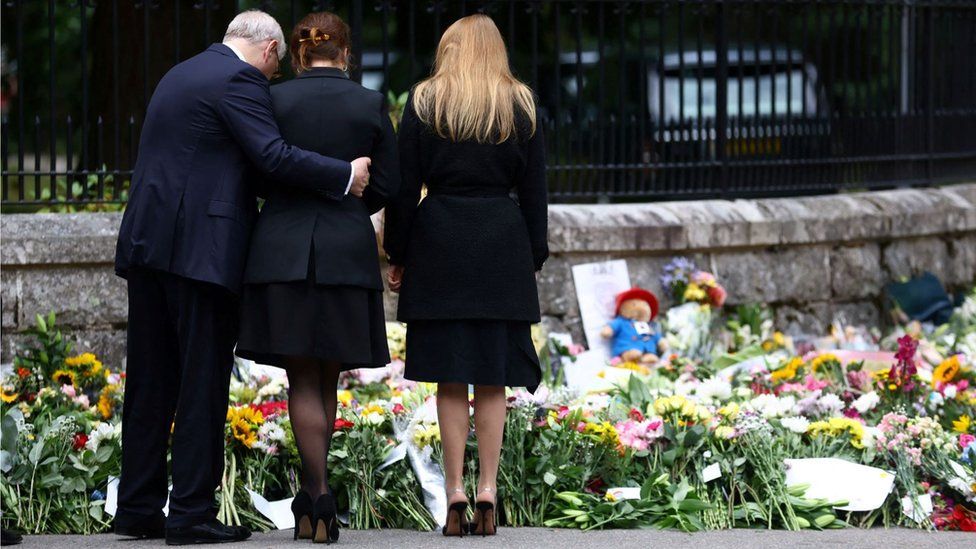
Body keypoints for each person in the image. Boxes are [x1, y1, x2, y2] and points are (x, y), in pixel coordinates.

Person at [113, 10, 371, 545]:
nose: (273, 79)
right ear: (272, 51)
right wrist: (344, 174)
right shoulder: (240, 79)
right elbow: (271, 156)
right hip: (200, 253)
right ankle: (189, 515)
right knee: (201, 381)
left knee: (150, 381)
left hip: (148, 243)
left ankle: (138, 507)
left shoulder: (181, 72)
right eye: (276, 69)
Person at [235, 11, 398, 544]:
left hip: (282, 246)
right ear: (346, 53)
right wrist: (353, 201)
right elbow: (388, 185)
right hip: (346, 249)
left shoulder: (273, 99)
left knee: (302, 376)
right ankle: (318, 496)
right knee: (326, 373)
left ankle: (316, 493)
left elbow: (257, 170)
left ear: (300, 54)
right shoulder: (370, 103)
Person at [384, 13, 548, 537]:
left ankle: (453, 488)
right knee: (493, 376)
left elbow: (405, 189)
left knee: (449, 377)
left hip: (439, 243)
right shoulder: (519, 103)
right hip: (501, 242)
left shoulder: (426, 101)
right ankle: (487, 489)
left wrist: (398, 253)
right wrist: (532, 255)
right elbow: (536, 192)